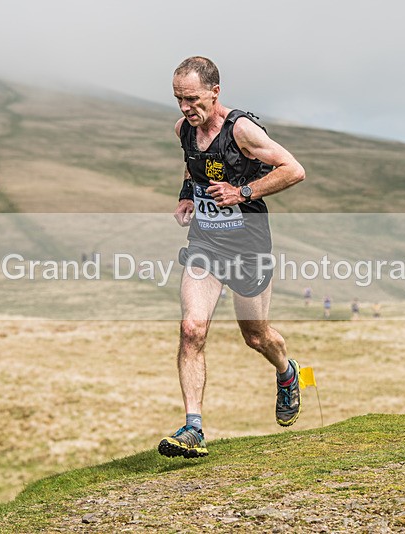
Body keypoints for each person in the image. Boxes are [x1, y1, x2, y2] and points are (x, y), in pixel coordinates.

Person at [160, 56, 306, 459]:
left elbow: (294, 169)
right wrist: (187, 197)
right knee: (192, 329)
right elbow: (194, 170)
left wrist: (244, 193)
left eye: (192, 98)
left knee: (256, 337)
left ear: (215, 92)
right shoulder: (184, 131)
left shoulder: (241, 130)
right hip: (206, 244)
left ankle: (286, 372)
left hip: (249, 248)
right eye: (178, 99)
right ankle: (193, 428)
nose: (186, 108)